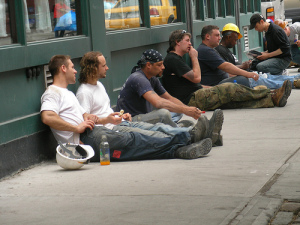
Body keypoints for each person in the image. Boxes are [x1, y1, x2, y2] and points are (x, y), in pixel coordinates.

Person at [40, 55, 212, 162]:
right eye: (71, 67)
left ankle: (182, 145)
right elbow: (47, 117)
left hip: (93, 132)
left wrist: (107, 119)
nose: (75, 71)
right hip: (84, 142)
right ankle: (187, 137)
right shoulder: (52, 93)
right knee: (135, 141)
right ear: (63, 69)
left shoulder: (67, 93)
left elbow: (87, 117)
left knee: (136, 139)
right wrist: (76, 128)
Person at [76, 51, 221, 147]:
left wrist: (188, 109)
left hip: (122, 121)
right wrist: (108, 120)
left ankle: (195, 133)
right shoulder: (85, 92)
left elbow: (169, 98)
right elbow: (86, 122)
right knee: (160, 122)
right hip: (120, 126)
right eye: (104, 65)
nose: (107, 68)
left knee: (167, 119)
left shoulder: (99, 85)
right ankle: (193, 135)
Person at [162, 29, 292, 112]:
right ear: (177, 42)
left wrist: (206, 88)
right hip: (191, 100)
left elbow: (190, 83)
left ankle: (272, 100)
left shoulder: (177, 59)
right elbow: (196, 78)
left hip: (197, 94)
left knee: (235, 101)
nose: (190, 44)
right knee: (231, 88)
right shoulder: (173, 59)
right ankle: (272, 94)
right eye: (187, 41)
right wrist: (194, 58)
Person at [115, 49, 224, 146]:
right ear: (148, 65)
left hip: (144, 117)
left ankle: (199, 132)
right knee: (163, 113)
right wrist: (185, 110)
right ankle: (191, 133)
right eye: (159, 64)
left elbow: (169, 98)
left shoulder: (152, 78)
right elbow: (158, 103)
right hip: (130, 121)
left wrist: (189, 110)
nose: (163, 67)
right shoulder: (138, 78)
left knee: (177, 110)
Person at [216, 23, 300, 89]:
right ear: (228, 37)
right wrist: (243, 67)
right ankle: (295, 82)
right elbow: (229, 70)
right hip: (245, 76)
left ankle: (296, 78)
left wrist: (246, 65)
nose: (236, 42)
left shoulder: (226, 50)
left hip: (248, 73)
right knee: (270, 80)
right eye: (235, 39)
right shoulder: (221, 50)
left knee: (272, 78)